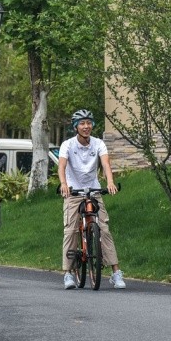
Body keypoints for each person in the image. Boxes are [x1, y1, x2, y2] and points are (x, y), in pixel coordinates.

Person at [57, 109, 126, 290]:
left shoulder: (98, 144)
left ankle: (116, 273)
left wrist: (110, 182)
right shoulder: (68, 145)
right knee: (71, 231)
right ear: (76, 127)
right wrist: (64, 184)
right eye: (82, 123)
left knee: (103, 229)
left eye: (88, 123)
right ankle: (68, 274)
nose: (86, 126)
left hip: (94, 190)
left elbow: (105, 164)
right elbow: (62, 166)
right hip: (73, 192)